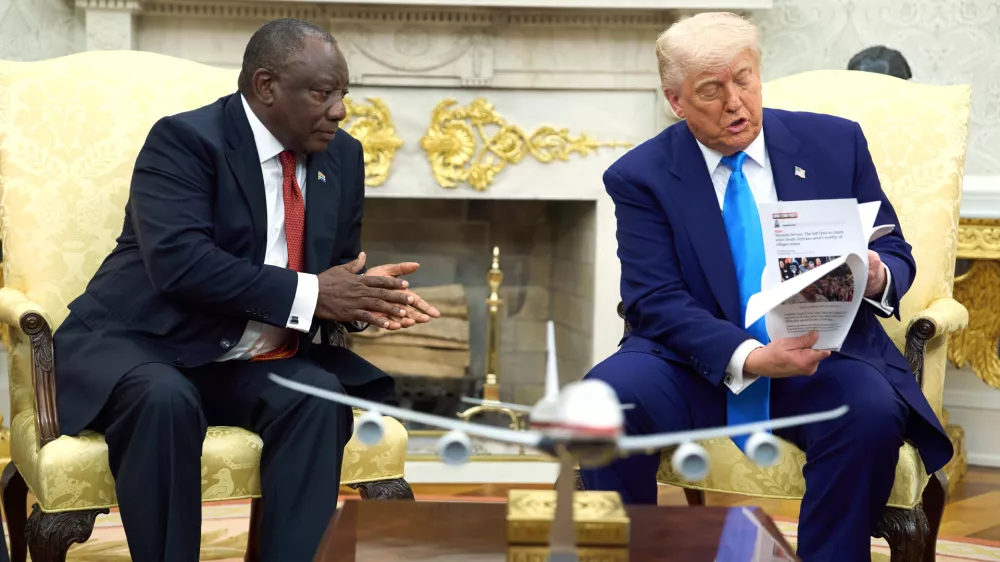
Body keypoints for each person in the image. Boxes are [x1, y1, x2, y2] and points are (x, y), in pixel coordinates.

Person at [52, 18, 440, 562]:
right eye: (322, 93)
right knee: (166, 399)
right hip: (146, 344)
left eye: (343, 94)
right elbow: (181, 264)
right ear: (266, 87)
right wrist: (313, 295)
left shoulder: (343, 157)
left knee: (317, 400)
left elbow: (331, 277)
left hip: (247, 360)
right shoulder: (184, 140)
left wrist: (361, 301)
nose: (340, 110)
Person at [578, 12, 952, 561]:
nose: (736, 102)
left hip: (818, 353)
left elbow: (895, 251)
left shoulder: (834, 143)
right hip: (692, 361)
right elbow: (654, 300)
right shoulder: (641, 176)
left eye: (745, 79)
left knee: (868, 412)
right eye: (711, 90)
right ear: (676, 101)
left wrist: (877, 273)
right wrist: (749, 357)